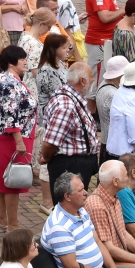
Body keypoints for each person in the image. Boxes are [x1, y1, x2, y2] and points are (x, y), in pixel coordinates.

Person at [41, 171, 135, 268]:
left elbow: (97, 242)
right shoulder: (59, 228)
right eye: (80, 190)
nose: (86, 192)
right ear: (67, 196)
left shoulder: (81, 210)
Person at [0, 46, 37, 232]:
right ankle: (13, 225)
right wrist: (19, 141)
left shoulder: (7, 79)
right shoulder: (9, 81)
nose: (25, 62)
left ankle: (1, 220)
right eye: (21, 59)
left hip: (6, 136)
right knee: (13, 182)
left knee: (3, 181)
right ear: (11, 62)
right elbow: (10, 114)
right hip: (12, 138)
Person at [85, 160, 135, 268]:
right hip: (112, 262)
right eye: (125, 175)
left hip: (123, 252)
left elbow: (124, 233)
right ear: (115, 181)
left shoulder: (114, 196)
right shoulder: (97, 206)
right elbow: (109, 249)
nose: (127, 178)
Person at [39, 63, 100, 202]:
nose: (93, 81)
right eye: (91, 77)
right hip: (69, 165)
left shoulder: (71, 97)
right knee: (69, 207)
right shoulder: (66, 104)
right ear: (82, 81)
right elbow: (50, 143)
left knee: (74, 206)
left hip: (75, 163)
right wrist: (47, 157)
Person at [84, 0, 128, 89]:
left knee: (102, 80)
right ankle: (93, 109)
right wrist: (123, 10)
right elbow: (105, 17)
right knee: (96, 84)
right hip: (99, 42)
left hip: (103, 42)